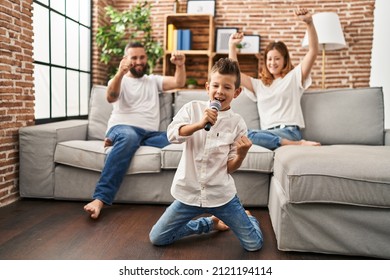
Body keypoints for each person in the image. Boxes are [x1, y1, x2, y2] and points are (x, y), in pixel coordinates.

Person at [149, 58, 264, 251]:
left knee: (254, 245)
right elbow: (172, 135)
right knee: (158, 237)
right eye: (216, 85)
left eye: (227, 87)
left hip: (221, 196)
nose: (220, 91)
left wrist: (242, 154)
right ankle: (210, 223)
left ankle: (249, 218)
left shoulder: (237, 123)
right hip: (189, 193)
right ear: (207, 87)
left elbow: (230, 168)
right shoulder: (192, 109)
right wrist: (199, 125)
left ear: (236, 92)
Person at [84, 42, 186, 219]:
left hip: (149, 135)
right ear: (126, 60)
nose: (139, 61)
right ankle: (100, 199)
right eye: (134, 58)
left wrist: (180, 65)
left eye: (142, 57)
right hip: (123, 128)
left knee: (182, 136)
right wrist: (120, 73)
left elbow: (179, 82)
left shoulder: (153, 81)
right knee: (129, 136)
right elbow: (110, 97)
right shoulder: (119, 80)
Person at [229, 8, 321, 150]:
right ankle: (292, 145)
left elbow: (313, 51)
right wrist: (232, 47)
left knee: (247, 135)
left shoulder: (294, 77)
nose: (273, 63)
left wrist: (309, 23)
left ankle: (297, 143)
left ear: (285, 60)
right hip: (268, 134)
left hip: (289, 131)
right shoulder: (258, 85)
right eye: (269, 59)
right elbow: (235, 74)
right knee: (240, 134)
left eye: (277, 58)